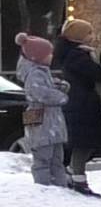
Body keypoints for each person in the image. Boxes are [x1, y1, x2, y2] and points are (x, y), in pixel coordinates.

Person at [53, 19, 101, 198]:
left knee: (85, 144)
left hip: (82, 104)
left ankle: (74, 175)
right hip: (82, 106)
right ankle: (77, 179)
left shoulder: (77, 53)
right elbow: (97, 74)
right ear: (78, 36)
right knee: (83, 144)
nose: (92, 36)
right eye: (88, 33)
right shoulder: (77, 56)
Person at [15, 32, 72, 189]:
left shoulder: (42, 71)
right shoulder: (34, 74)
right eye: (48, 54)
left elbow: (46, 88)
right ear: (37, 57)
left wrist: (59, 85)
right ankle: (44, 187)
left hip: (49, 122)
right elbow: (40, 93)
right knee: (43, 158)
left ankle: (59, 186)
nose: (52, 56)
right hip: (41, 120)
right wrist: (61, 96)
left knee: (56, 158)